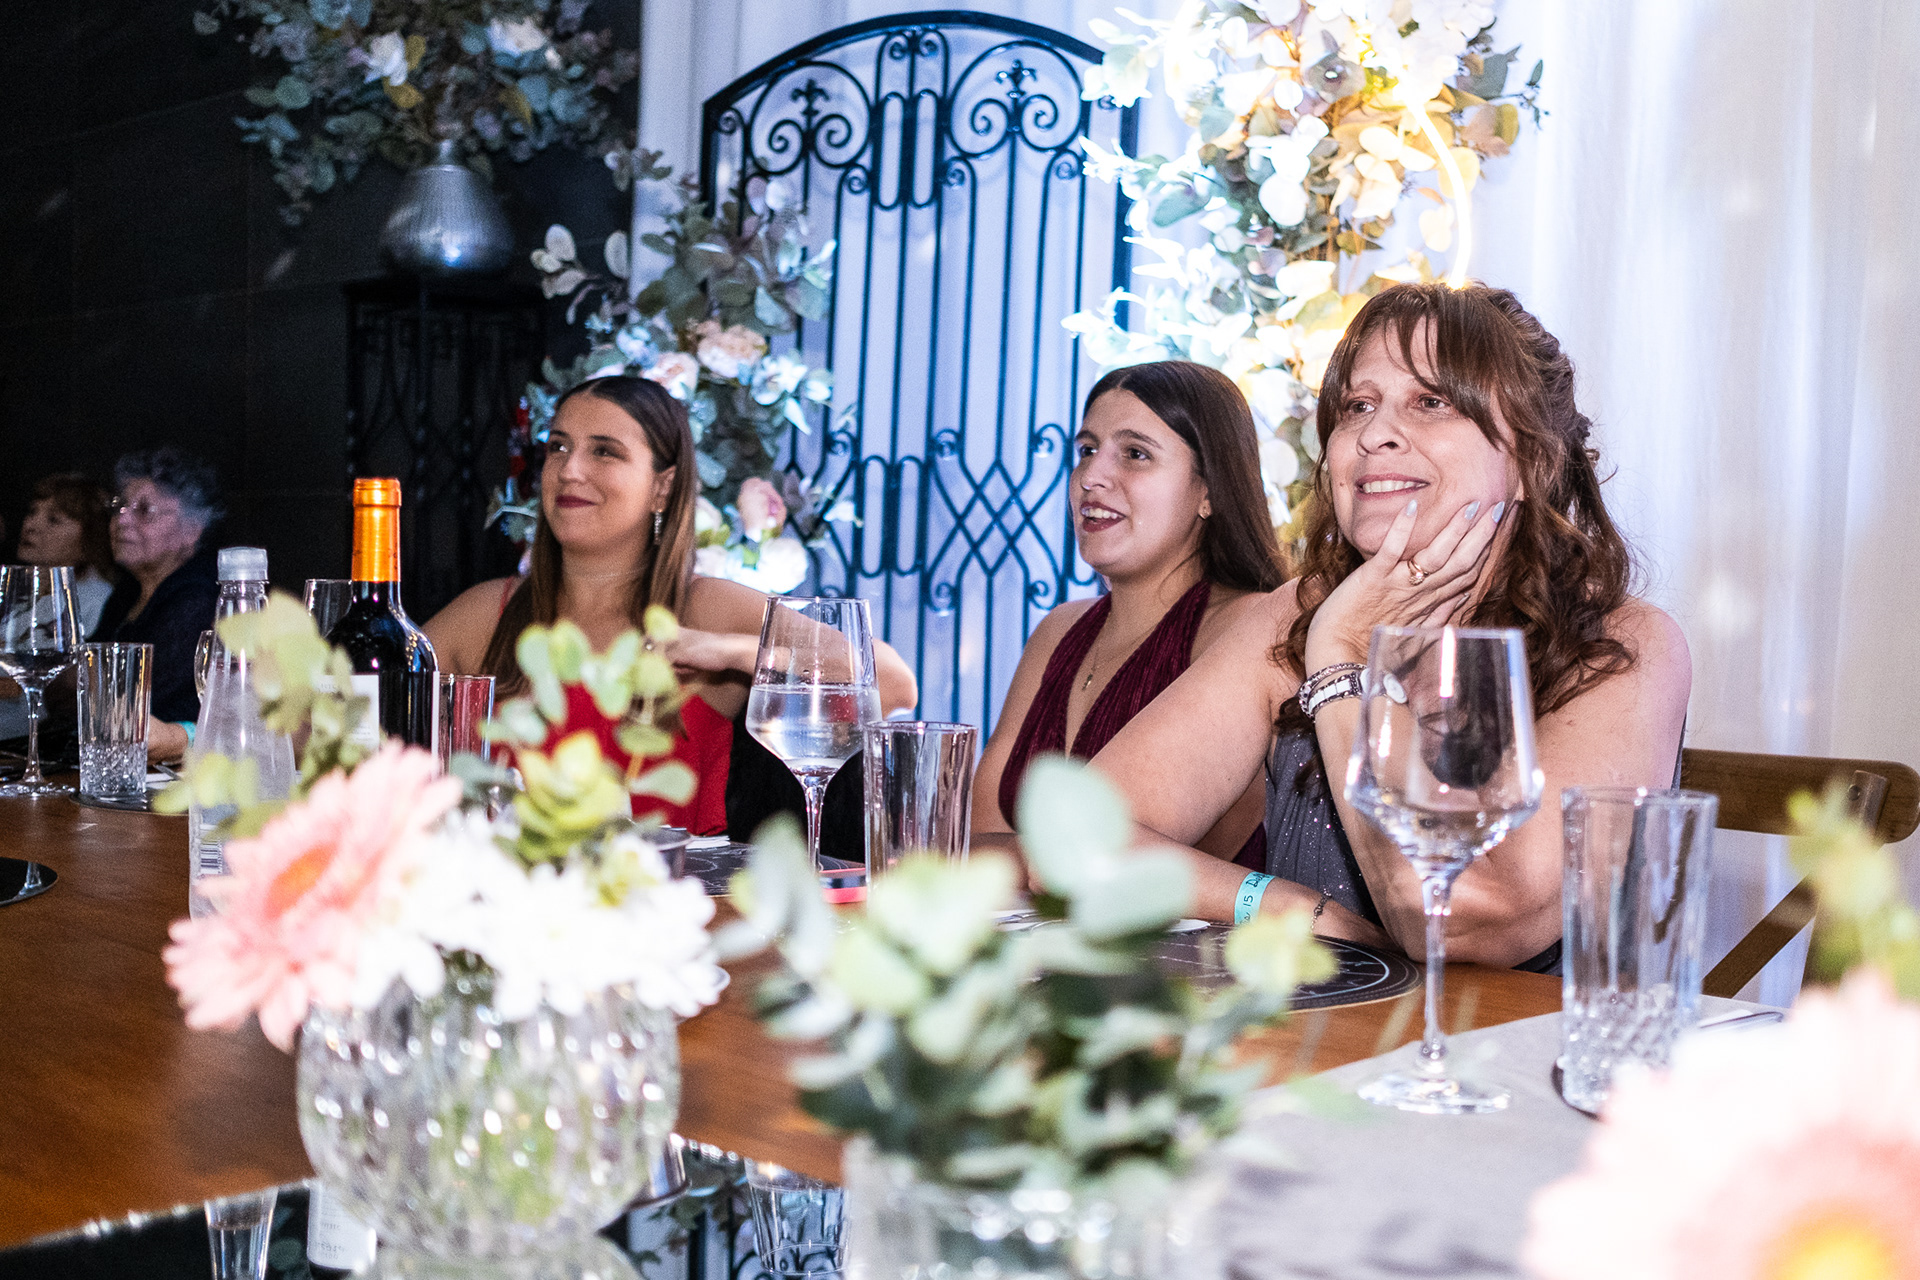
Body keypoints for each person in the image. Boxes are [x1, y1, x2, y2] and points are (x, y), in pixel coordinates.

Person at [1090, 283, 1690, 970]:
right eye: (1358, 406)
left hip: (1521, 1037)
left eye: (1431, 401)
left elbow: (1466, 925)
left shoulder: (1624, 647)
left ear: (1533, 460)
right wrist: (1285, 907)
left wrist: (1340, 661)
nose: (1374, 433)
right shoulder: (1293, 615)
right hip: (1318, 1030)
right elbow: (1077, 840)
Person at [426, 375, 917, 834]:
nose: (569, 470)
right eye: (558, 446)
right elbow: (383, 714)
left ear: (662, 486)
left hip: (672, 896)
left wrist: (730, 652)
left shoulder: (705, 608)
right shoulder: (486, 614)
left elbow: (895, 683)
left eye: (604, 451)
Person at [972, 360, 1288, 863]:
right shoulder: (1058, 631)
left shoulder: (1249, 628)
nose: (1091, 477)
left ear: (1209, 491)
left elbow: (1159, 867)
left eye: (1135, 454)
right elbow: (976, 843)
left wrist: (1001, 859)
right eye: (1087, 450)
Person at [93, 450, 225, 762]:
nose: (121, 519)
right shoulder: (127, 592)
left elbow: (132, 700)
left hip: (177, 769)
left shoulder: (199, 597)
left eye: (144, 510)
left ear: (192, 530)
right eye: (119, 506)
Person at [0, 475, 121, 741]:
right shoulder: (23, 593)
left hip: (38, 740)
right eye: (32, 512)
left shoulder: (96, 599)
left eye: (53, 519)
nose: (31, 525)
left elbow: (67, 686)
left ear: (90, 537)